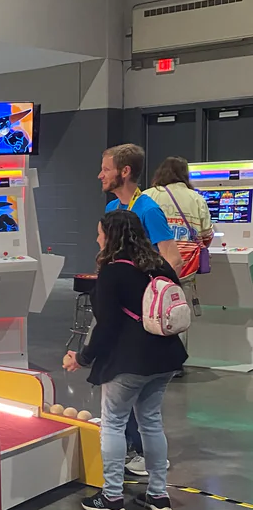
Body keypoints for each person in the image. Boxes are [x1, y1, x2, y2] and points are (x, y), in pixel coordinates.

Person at [63, 209, 187, 510]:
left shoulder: (112, 272)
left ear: (112, 236)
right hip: (166, 357)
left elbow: (106, 328)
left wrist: (82, 358)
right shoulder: (159, 265)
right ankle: (159, 495)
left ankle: (112, 497)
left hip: (129, 361)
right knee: (152, 422)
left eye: (100, 233)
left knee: (113, 423)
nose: (97, 238)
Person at [98, 142, 181, 477]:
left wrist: (139, 296)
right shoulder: (114, 207)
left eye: (105, 169)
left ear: (125, 171)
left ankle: (136, 458)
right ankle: (134, 453)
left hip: (140, 323)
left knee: (133, 401)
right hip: (120, 319)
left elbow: (172, 259)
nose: (100, 175)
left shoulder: (147, 209)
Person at [145, 155, 214, 272]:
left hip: (154, 264)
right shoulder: (197, 198)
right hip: (187, 266)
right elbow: (207, 234)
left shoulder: (147, 196)